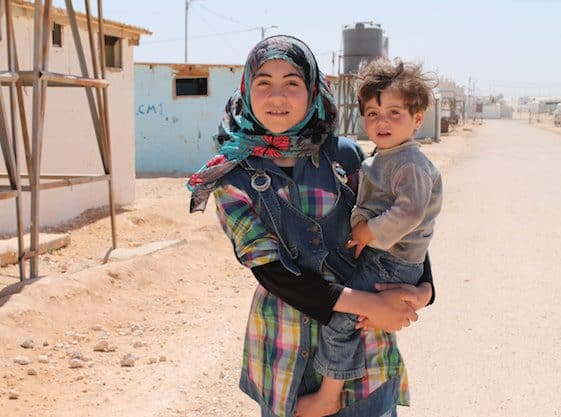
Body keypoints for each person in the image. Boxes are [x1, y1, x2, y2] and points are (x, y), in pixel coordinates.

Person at [188, 35, 435, 417]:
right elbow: (273, 274)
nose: (277, 96)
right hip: (286, 354)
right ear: (246, 90)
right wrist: (371, 303)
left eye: (292, 83)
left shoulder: (345, 156)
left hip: (365, 352)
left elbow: (398, 223)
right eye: (264, 83)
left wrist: (424, 290)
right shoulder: (231, 178)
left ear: (312, 90)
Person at [298, 58, 442, 416]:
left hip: (391, 263)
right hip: (383, 258)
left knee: (343, 320)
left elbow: (409, 214)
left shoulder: (408, 162)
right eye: (373, 113)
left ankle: (329, 393)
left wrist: (367, 231)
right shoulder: (382, 157)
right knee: (352, 319)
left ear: (418, 118)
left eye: (395, 112)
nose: (383, 121)